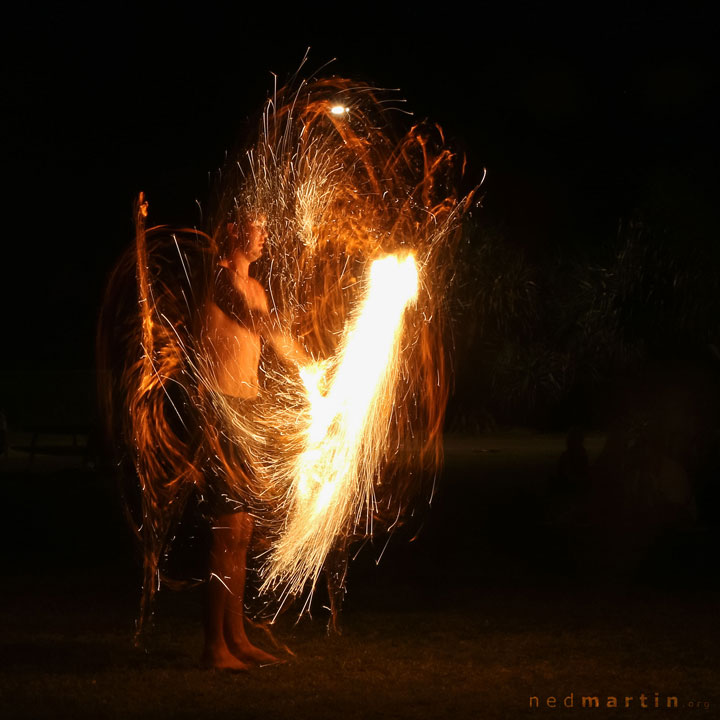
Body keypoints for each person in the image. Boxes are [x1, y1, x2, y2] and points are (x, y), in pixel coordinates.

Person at [200, 213, 306, 670]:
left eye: (266, 226)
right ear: (235, 230)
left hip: (247, 410)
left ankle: (238, 639)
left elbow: (273, 332)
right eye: (257, 226)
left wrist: (313, 368)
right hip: (219, 411)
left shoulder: (259, 288)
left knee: (242, 532)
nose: (265, 234)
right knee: (225, 531)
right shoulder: (219, 279)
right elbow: (257, 322)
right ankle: (214, 647)